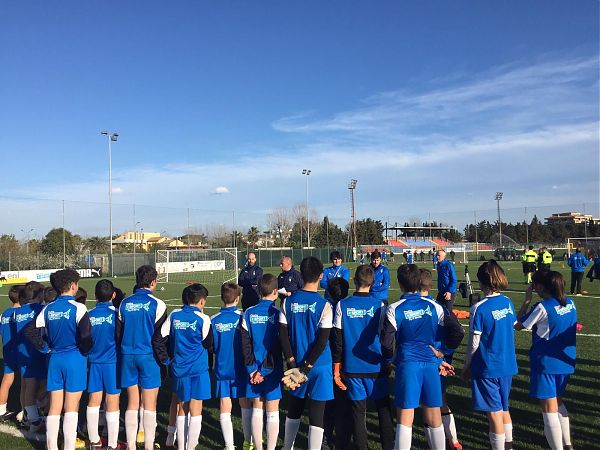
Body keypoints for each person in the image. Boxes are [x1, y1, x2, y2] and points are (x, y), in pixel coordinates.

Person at [381, 264, 455, 450]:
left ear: (400, 283)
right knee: (434, 416)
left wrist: (390, 361)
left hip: (407, 365)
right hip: (430, 365)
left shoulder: (394, 308)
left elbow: (386, 343)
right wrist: (441, 355)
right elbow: (454, 332)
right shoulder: (435, 306)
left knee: (405, 418)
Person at [25, 269, 92, 450]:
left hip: (55, 358)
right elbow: (86, 337)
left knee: (55, 405)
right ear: (73, 286)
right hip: (74, 358)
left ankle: (52, 446)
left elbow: (30, 330)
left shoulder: (48, 308)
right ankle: (68, 446)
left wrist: (45, 347)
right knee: (71, 406)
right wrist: (85, 351)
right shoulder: (79, 308)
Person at [332, 265, 394, 450]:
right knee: (384, 411)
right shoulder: (380, 306)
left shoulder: (342, 305)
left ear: (354, 281)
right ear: (373, 283)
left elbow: (337, 340)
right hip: (376, 366)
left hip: (352, 368)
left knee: (358, 414)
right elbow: (386, 339)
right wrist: (388, 361)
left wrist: (337, 367)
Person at [515, 271, 576, 450]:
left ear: (541, 286)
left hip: (546, 363)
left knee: (549, 409)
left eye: (534, 285)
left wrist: (526, 300)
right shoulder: (571, 303)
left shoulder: (542, 307)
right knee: (558, 401)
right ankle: (568, 444)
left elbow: (518, 325)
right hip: (565, 362)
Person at [461, 260, 517, 450]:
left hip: (488, 366)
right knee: (504, 408)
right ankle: (508, 446)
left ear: (481, 282)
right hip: (507, 364)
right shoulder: (507, 302)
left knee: (494, 413)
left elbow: (474, 343)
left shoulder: (479, 308)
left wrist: (467, 366)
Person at [279, 256, 333, 450]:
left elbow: (283, 336)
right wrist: (306, 368)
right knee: (317, 414)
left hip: (296, 365)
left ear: (301, 275)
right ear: (321, 276)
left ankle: (287, 447)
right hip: (319, 366)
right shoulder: (324, 305)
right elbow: (322, 341)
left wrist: (293, 365)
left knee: (294, 408)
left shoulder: (287, 302)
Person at [116, 265, 167, 450]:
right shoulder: (158, 304)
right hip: (148, 357)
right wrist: (165, 360)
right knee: (150, 403)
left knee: (132, 401)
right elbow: (161, 337)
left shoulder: (124, 303)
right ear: (153, 282)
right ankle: (148, 446)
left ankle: (130, 445)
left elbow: (119, 333)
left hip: (128, 355)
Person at [159, 283, 213, 450]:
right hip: (198, 369)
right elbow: (208, 344)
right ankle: (191, 446)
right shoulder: (203, 319)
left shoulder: (174, 315)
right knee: (196, 408)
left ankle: (181, 446)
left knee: (182, 406)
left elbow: (160, 338)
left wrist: (166, 359)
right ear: (202, 301)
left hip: (179, 368)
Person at [419, 269, 464, 450]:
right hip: (437, 361)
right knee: (440, 400)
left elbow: (458, 331)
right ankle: (453, 441)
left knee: (428, 404)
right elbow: (459, 331)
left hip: (425, 362)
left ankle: (435, 444)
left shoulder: (412, 306)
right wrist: (445, 353)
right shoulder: (439, 306)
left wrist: (443, 353)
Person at [241, 274, 283, 450]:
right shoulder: (278, 314)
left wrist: (252, 370)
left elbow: (245, 344)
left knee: (257, 408)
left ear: (259, 291)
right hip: (272, 369)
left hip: (253, 370)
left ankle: (258, 447)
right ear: (275, 292)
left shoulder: (248, 313)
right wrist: (263, 371)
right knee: (272, 410)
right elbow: (278, 346)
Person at [211, 283, 253, 450]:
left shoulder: (214, 320)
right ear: (238, 299)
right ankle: (248, 442)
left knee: (224, 405)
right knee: (245, 403)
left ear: (222, 298)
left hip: (222, 369)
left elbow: (211, 346)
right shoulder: (243, 317)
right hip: (240, 369)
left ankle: (229, 446)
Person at [86, 279, 121, 450]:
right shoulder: (118, 314)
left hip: (94, 362)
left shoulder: (88, 315)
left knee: (94, 399)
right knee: (112, 399)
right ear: (113, 295)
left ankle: (94, 441)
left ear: (95, 296)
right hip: (112, 363)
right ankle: (112, 444)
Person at [323, 277, 350, 450]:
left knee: (329, 403)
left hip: (328, 360)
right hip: (345, 361)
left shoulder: (326, 308)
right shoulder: (347, 307)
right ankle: (343, 441)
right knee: (345, 404)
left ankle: (326, 439)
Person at [14, 281, 46, 434]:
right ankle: (33, 418)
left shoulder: (18, 312)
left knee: (26, 385)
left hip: (21, 352)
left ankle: (28, 415)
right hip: (34, 352)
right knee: (35, 386)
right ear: (40, 294)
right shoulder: (39, 309)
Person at [0, 285, 21, 421]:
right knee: (27, 382)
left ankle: (1, 410)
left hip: (8, 350)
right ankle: (28, 412)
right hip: (21, 351)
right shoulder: (23, 313)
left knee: (7, 379)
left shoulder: (4, 313)